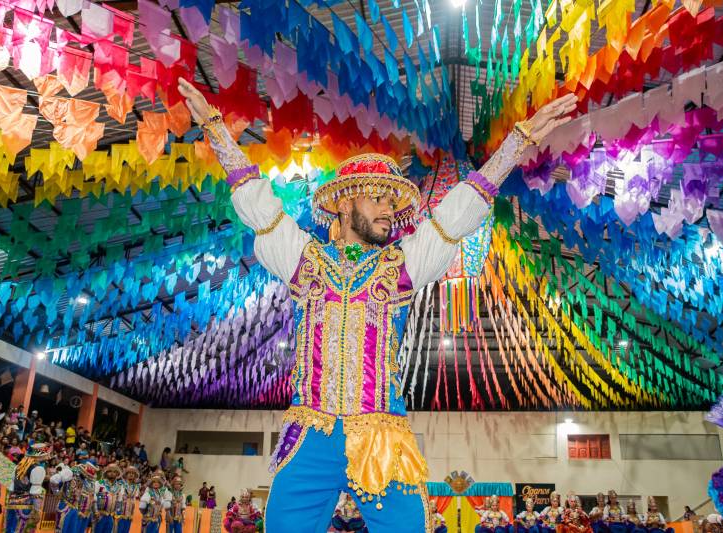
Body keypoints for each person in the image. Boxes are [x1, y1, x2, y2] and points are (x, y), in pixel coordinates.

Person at [178, 76, 576, 533]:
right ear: (345, 204)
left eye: (392, 201)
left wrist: (517, 142)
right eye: (378, 199)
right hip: (310, 436)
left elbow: (456, 214)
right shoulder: (303, 259)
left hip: (381, 438)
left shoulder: (401, 265)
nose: (388, 210)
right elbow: (260, 207)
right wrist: (215, 127)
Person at [4, 443, 51, 533]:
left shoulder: (20, 465)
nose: (48, 457)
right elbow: (35, 491)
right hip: (26, 503)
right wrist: (37, 510)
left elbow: (12, 485)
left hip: (13, 500)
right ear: (40, 456)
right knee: (23, 528)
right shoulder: (38, 469)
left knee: (10, 527)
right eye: (46, 455)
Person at [94, 464, 125, 533]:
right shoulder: (100, 482)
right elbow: (94, 498)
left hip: (111, 516)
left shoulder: (120, 486)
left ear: (117, 473)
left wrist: (117, 514)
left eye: (114, 472)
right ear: (106, 472)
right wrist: (95, 511)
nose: (112, 473)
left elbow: (119, 501)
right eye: (110, 471)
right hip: (99, 515)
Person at [115, 465, 141, 533]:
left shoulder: (136, 486)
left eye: (133, 473)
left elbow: (136, 497)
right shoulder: (120, 483)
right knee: (117, 530)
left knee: (126, 530)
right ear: (126, 474)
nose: (131, 474)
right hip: (120, 512)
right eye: (129, 473)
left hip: (129, 513)